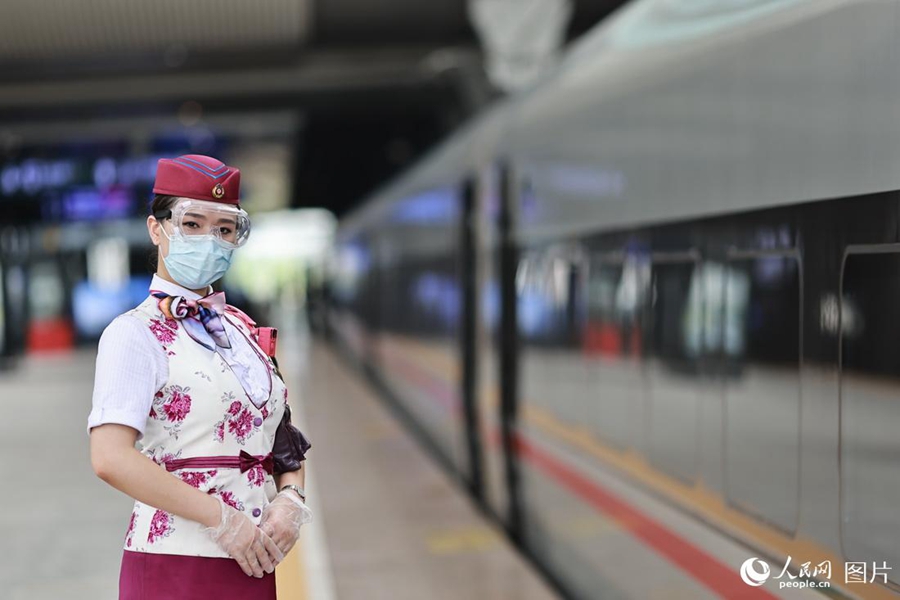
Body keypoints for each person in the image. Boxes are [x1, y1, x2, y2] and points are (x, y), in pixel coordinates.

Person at [87, 155, 312, 599]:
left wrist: (291, 501)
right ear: (157, 229)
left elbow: (282, 440)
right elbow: (110, 458)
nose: (211, 240)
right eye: (193, 224)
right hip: (175, 560)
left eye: (225, 229)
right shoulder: (132, 334)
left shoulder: (243, 329)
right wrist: (222, 519)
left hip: (254, 560)